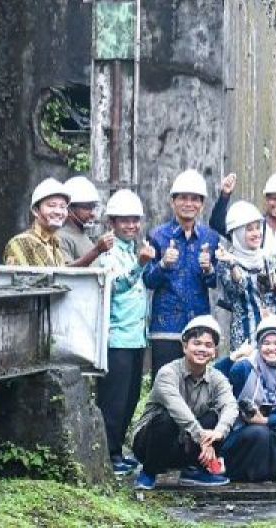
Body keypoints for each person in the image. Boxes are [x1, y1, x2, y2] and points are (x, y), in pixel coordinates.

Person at [211, 170, 276, 361]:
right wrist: (225, 195)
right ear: (266, 199)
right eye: (275, 199)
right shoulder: (248, 225)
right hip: (249, 312)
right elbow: (217, 223)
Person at [130, 315, 236, 489]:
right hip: (150, 444)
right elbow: (177, 408)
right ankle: (148, 472)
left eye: (208, 345)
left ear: (215, 352)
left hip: (188, 444)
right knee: (166, 418)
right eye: (197, 343)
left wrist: (218, 433)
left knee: (215, 418)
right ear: (185, 346)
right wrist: (202, 437)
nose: (202, 349)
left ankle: (194, 470)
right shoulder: (168, 373)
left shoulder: (217, 379)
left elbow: (231, 406)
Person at [94, 189, 156, 475]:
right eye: (124, 221)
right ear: (112, 223)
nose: (131, 226)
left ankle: (117, 449)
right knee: (113, 400)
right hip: (116, 337)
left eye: (135, 220)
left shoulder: (133, 249)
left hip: (136, 337)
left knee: (131, 397)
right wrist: (140, 266)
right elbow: (114, 287)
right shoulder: (109, 252)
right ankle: (108, 454)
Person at [143, 170, 221, 379]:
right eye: (183, 198)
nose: (189, 203)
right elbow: (148, 280)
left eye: (194, 199)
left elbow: (215, 282)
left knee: (196, 384)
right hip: (166, 325)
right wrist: (163, 264)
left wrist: (209, 269)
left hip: (198, 324)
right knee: (164, 384)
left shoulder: (210, 238)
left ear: (202, 204)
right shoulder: (158, 236)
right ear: (172, 202)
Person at [217, 315, 276, 483]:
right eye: (266, 343)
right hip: (240, 427)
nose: (272, 348)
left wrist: (265, 420)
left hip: (269, 423)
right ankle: (252, 474)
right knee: (259, 433)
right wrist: (232, 358)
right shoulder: (244, 367)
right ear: (259, 345)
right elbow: (215, 378)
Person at [216, 201, 276, 351]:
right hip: (245, 333)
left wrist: (274, 280)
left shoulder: (271, 258)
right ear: (237, 233)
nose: (256, 233)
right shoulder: (226, 260)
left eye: (258, 228)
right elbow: (238, 290)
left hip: (274, 332)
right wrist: (233, 264)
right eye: (249, 230)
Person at [4, 178, 70, 266]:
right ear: (35, 211)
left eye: (62, 207)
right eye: (51, 205)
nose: (58, 212)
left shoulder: (56, 246)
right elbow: (21, 279)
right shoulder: (21, 243)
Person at [57, 176, 115, 267]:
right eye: (87, 207)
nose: (93, 214)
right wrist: (97, 251)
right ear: (69, 209)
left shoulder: (82, 234)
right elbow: (66, 273)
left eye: (93, 207)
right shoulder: (61, 237)